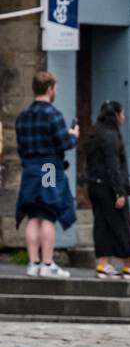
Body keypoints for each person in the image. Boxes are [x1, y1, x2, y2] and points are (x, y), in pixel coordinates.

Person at [15, 71, 79, 277]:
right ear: (50, 89)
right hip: (48, 167)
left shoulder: (22, 116)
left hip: (30, 168)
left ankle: (33, 264)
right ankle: (48, 263)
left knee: (33, 215)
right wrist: (73, 136)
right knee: (48, 213)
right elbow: (64, 143)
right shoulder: (53, 114)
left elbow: (20, 147)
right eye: (55, 89)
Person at [84, 101, 130, 279]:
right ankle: (129, 264)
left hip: (95, 185)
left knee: (102, 225)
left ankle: (103, 263)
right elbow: (113, 166)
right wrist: (119, 192)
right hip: (108, 187)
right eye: (122, 113)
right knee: (122, 224)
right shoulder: (111, 136)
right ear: (116, 115)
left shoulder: (95, 133)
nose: (124, 117)